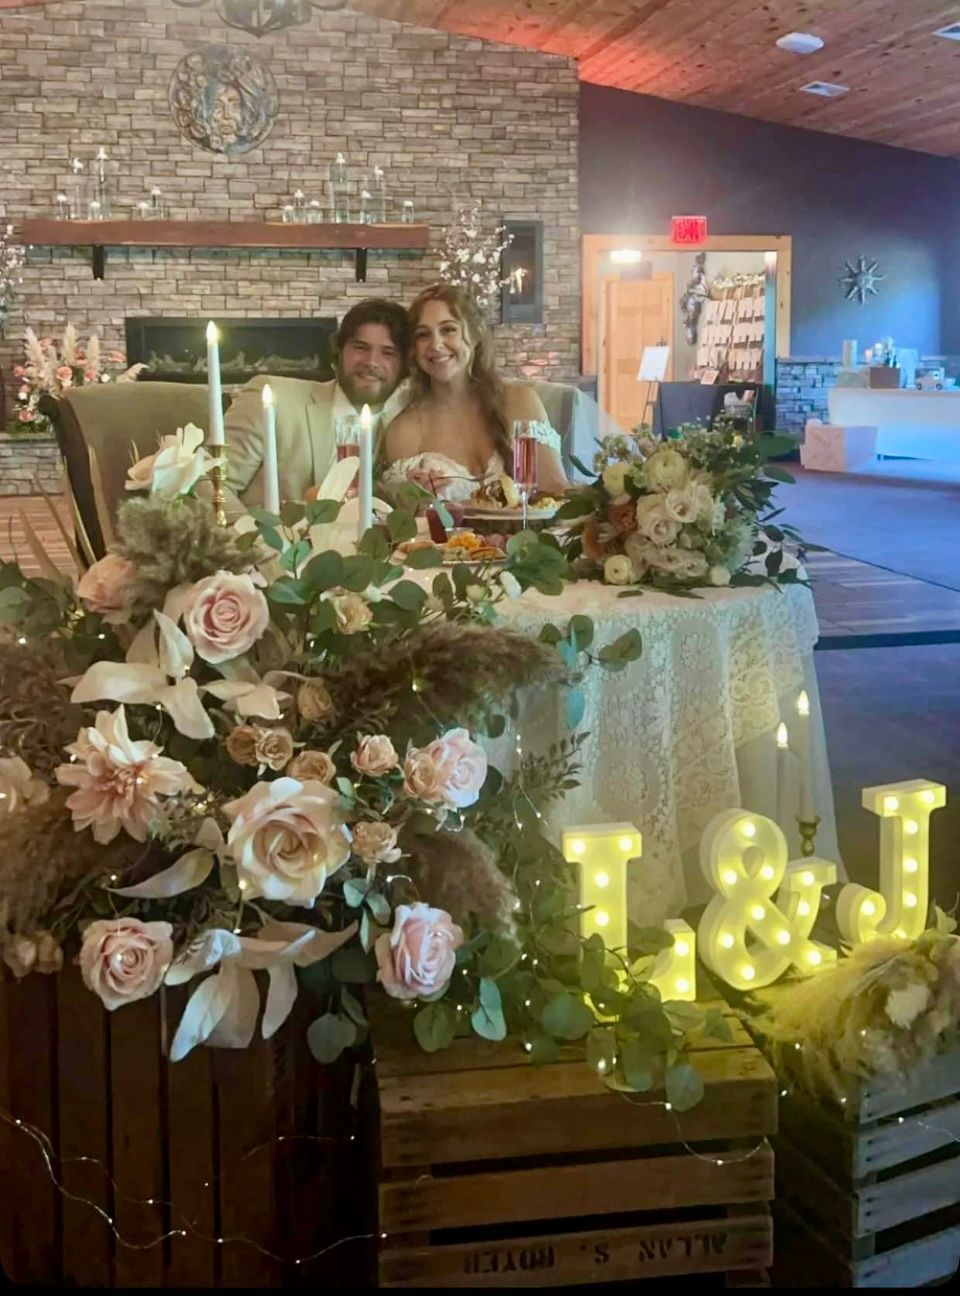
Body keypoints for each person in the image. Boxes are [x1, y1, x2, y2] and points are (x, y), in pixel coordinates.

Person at [382, 284, 567, 502]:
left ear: (476, 335)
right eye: (423, 335)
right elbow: (406, 525)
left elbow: (556, 495)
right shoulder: (405, 430)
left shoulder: (519, 402)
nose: (436, 344)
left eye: (448, 329)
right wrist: (416, 501)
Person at [224, 298, 410, 509]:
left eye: (388, 352)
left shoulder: (411, 422)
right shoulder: (272, 398)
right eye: (360, 347)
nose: (371, 362)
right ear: (339, 352)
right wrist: (247, 533)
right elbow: (208, 484)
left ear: (405, 364)